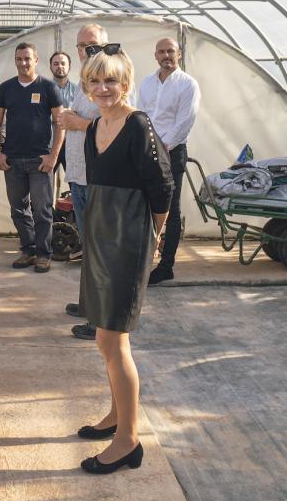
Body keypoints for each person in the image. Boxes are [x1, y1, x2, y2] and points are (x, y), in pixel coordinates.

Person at [75, 48, 172, 475]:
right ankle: (118, 415)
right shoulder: (95, 126)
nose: (103, 89)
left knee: (113, 340)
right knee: (105, 338)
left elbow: (162, 186)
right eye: (95, 81)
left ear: (126, 83)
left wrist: (155, 236)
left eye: (110, 80)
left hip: (129, 234)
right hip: (101, 233)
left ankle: (128, 440)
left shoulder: (138, 124)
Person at [54, 24, 109, 340]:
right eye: (81, 45)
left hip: (98, 179)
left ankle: (99, 320)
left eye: (93, 45)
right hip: (79, 175)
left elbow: (116, 125)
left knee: (99, 249)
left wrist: (77, 122)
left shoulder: (108, 79)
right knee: (88, 246)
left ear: (106, 45)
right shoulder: (84, 79)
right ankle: (88, 304)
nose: (86, 50)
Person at [0, 42, 65, 273]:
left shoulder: (48, 87)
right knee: (18, 209)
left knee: (42, 209)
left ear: (36, 60)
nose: (23, 63)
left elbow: (60, 123)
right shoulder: (6, 88)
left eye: (27, 58)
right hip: (12, 160)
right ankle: (28, 250)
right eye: (19, 59)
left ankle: (44, 254)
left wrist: (53, 156)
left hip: (40, 161)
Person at [137, 37, 201, 285]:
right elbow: (141, 116)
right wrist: (143, 145)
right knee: (144, 205)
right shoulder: (147, 83)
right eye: (162, 51)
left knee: (171, 210)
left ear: (179, 54)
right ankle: (143, 259)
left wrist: (160, 147)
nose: (166, 56)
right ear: (155, 55)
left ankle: (166, 266)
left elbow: (185, 122)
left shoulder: (188, 84)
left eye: (170, 51)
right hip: (146, 151)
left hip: (172, 153)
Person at [48, 50, 77, 196]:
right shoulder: (44, 89)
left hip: (72, 144)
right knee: (45, 185)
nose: (60, 66)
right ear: (50, 67)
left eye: (63, 63)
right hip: (50, 144)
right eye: (56, 63)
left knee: (76, 185)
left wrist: (57, 114)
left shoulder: (78, 90)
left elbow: (80, 114)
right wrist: (67, 113)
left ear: (69, 66)